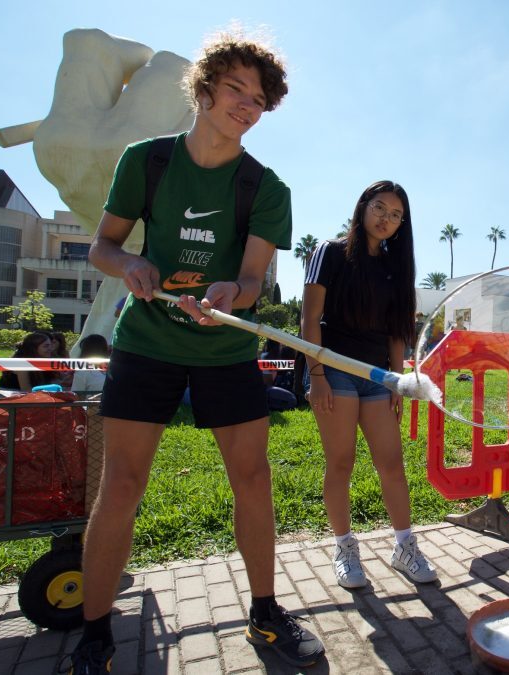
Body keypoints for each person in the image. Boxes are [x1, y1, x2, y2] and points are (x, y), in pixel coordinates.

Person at [74, 31, 324, 673]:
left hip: (223, 350)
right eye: (236, 88)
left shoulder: (266, 188)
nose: (247, 104)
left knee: (254, 478)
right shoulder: (147, 161)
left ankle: (266, 612)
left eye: (260, 98)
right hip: (145, 343)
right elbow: (102, 246)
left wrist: (231, 297)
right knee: (121, 484)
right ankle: (95, 632)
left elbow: (249, 280)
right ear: (205, 87)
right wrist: (129, 262)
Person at [301, 180, 437, 589]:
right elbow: (309, 318)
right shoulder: (330, 252)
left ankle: (404, 547)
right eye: (380, 208)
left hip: (377, 376)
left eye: (396, 215)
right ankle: (344, 548)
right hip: (335, 369)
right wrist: (318, 375)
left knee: (391, 464)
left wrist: (398, 382)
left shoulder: (396, 267)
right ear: (363, 208)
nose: (387, 219)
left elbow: (398, 331)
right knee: (340, 462)